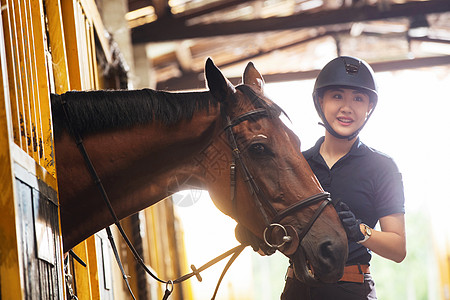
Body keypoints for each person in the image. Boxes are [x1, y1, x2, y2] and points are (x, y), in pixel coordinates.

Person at [280, 56, 406, 299]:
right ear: (320, 100)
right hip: (297, 288)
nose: (347, 107)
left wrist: (360, 231)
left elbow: (398, 249)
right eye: (337, 96)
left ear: (369, 106)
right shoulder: (297, 163)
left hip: (352, 290)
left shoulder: (382, 167)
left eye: (358, 98)